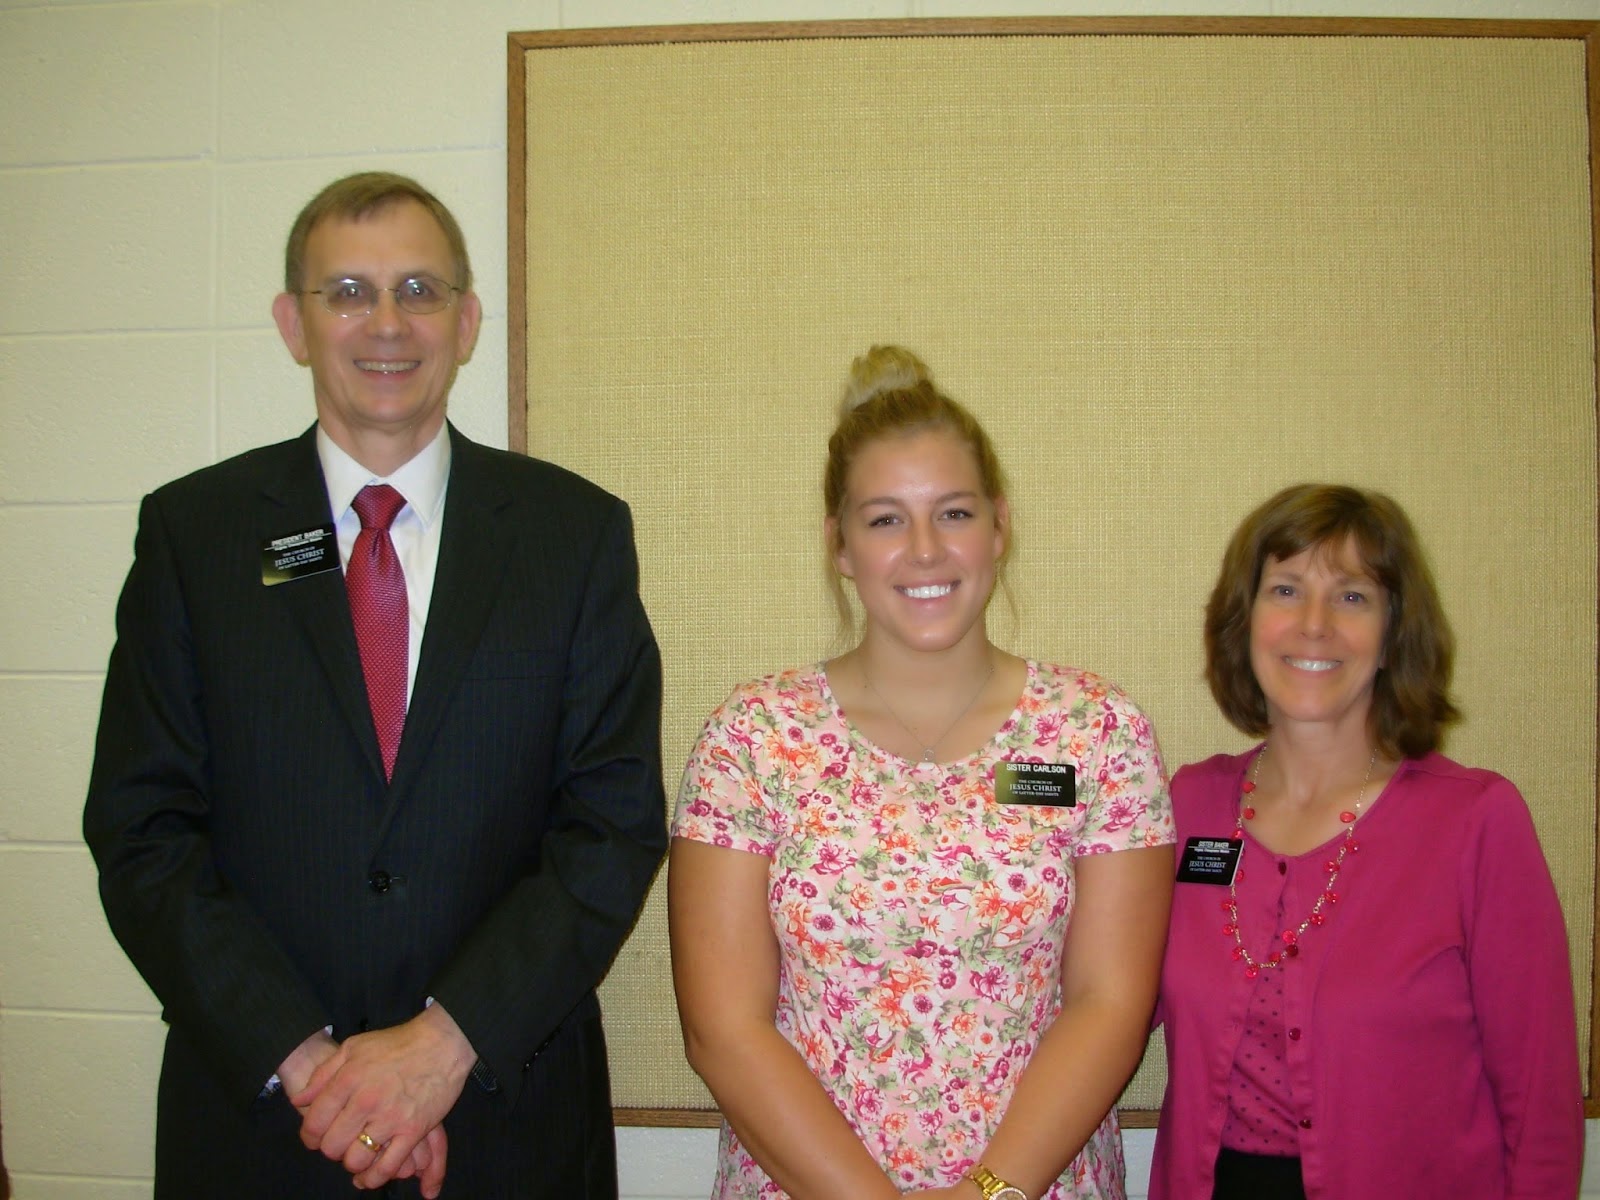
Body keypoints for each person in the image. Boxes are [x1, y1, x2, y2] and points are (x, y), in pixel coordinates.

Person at [83, 172, 666, 1199]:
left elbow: (611, 823)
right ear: (291, 323)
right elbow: (142, 830)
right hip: (266, 1124)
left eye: (419, 290)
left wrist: (441, 1050)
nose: (385, 322)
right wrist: (316, 1070)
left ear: (468, 318)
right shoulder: (197, 536)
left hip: (506, 1114)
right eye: (346, 291)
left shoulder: (573, 536)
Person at [669, 345, 1175, 1200]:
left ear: (999, 526)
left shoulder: (1097, 733)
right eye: (884, 520)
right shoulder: (752, 742)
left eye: (953, 513)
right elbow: (725, 1028)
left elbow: (1109, 1005)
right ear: (839, 545)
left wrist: (991, 1193)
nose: (925, 551)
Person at [1151, 483, 1584, 1200]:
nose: (1313, 625)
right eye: (1286, 590)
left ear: (1393, 635)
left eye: (1352, 597)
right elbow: (1108, 999)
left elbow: (1541, 1106)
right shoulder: (1190, 805)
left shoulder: (1475, 821)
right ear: (1245, 620)